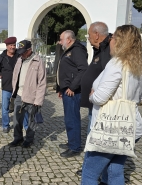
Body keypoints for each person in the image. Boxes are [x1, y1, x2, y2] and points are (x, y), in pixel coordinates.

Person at [81, 25, 142, 185]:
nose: (110, 40)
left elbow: (101, 97)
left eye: (113, 37)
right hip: (130, 127)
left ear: (119, 42)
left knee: (89, 174)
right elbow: (138, 98)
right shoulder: (138, 66)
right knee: (114, 171)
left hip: (110, 129)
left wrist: (92, 95)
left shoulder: (117, 64)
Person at [8, 40, 46, 148]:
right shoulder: (19, 59)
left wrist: (38, 101)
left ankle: (29, 139)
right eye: (20, 51)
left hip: (32, 96)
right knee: (17, 119)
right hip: (19, 94)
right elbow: (15, 76)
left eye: (24, 51)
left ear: (30, 50)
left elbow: (42, 82)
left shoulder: (38, 61)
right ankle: (18, 138)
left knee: (31, 120)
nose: (22, 54)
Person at [56, 30, 88, 158]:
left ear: (68, 39)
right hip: (66, 89)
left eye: (61, 39)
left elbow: (83, 69)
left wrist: (72, 87)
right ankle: (71, 142)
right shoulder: (69, 50)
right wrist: (60, 88)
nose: (59, 42)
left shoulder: (77, 50)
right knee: (69, 118)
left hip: (73, 91)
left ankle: (75, 147)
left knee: (72, 119)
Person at [81, 22, 112, 135]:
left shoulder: (109, 49)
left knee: (95, 129)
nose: (88, 38)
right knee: (91, 123)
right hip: (94, 98)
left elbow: (109, 75)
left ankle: (92, 151)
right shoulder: (99, 49)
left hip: (101, 99)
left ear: (96, 35)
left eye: (89, 35)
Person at [0, 37, 20, 133]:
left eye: (14, 45)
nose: (13, 47)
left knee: (19, 108)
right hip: (6, 87)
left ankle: (19, 125)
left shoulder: (20, 56)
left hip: (18, 87)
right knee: (5, 108)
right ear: (7, 46)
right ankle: (5, 125)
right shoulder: (1, 58)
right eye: (11, 45)